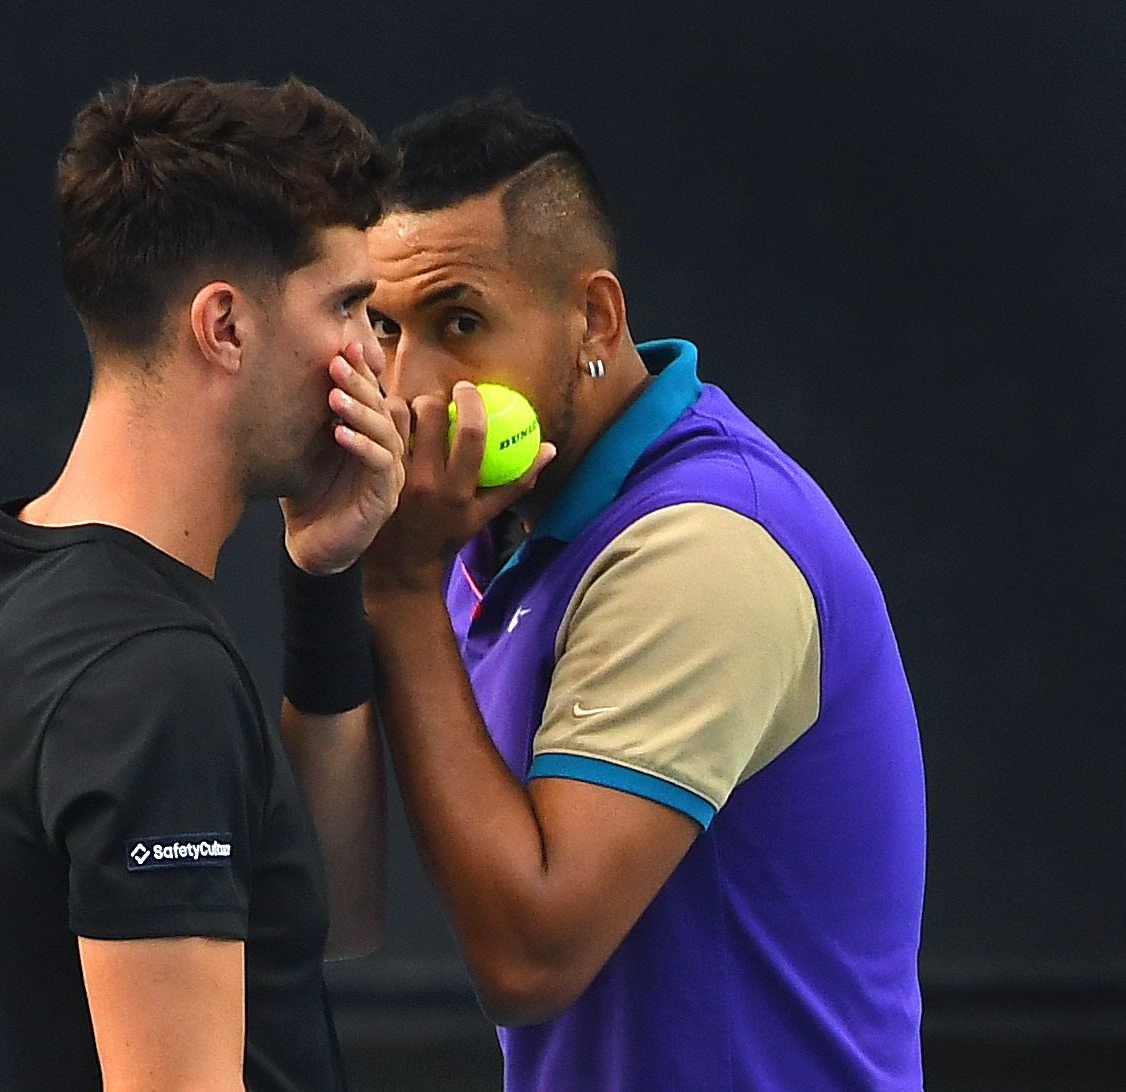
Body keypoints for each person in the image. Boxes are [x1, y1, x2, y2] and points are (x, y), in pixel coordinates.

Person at [359, 92, 926, 1091]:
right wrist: (324, 564)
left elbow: (529, 961)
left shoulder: (706, 548)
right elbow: (333, 904)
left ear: (595, 317)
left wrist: (397, 588)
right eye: (383, 329)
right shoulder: (474, 529)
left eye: (461, 322)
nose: (411, 387)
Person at [0, 76, 403, 1092]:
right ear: (224, 326)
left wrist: (324, 577)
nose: (373, 355)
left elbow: (331, 916)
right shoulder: (154, 683)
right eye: (349, 306)